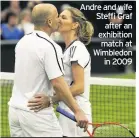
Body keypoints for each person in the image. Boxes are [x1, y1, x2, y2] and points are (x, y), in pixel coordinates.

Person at [8, 4, 88, 137]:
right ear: (50, 22)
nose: (59, 20)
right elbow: (58, 83)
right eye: (57, 16)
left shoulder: (21, 42)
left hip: (14, 111)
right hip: (37, 114)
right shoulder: (50, 46)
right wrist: (77, 111)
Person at [28, 7, 94, 137]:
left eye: (64, 17)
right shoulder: (68, 50)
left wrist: (51, 99)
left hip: (77, 113)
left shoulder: (77, 49)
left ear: (74, 25)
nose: (59, 20)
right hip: (68, 111)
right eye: (59, 16)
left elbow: (79, 87)